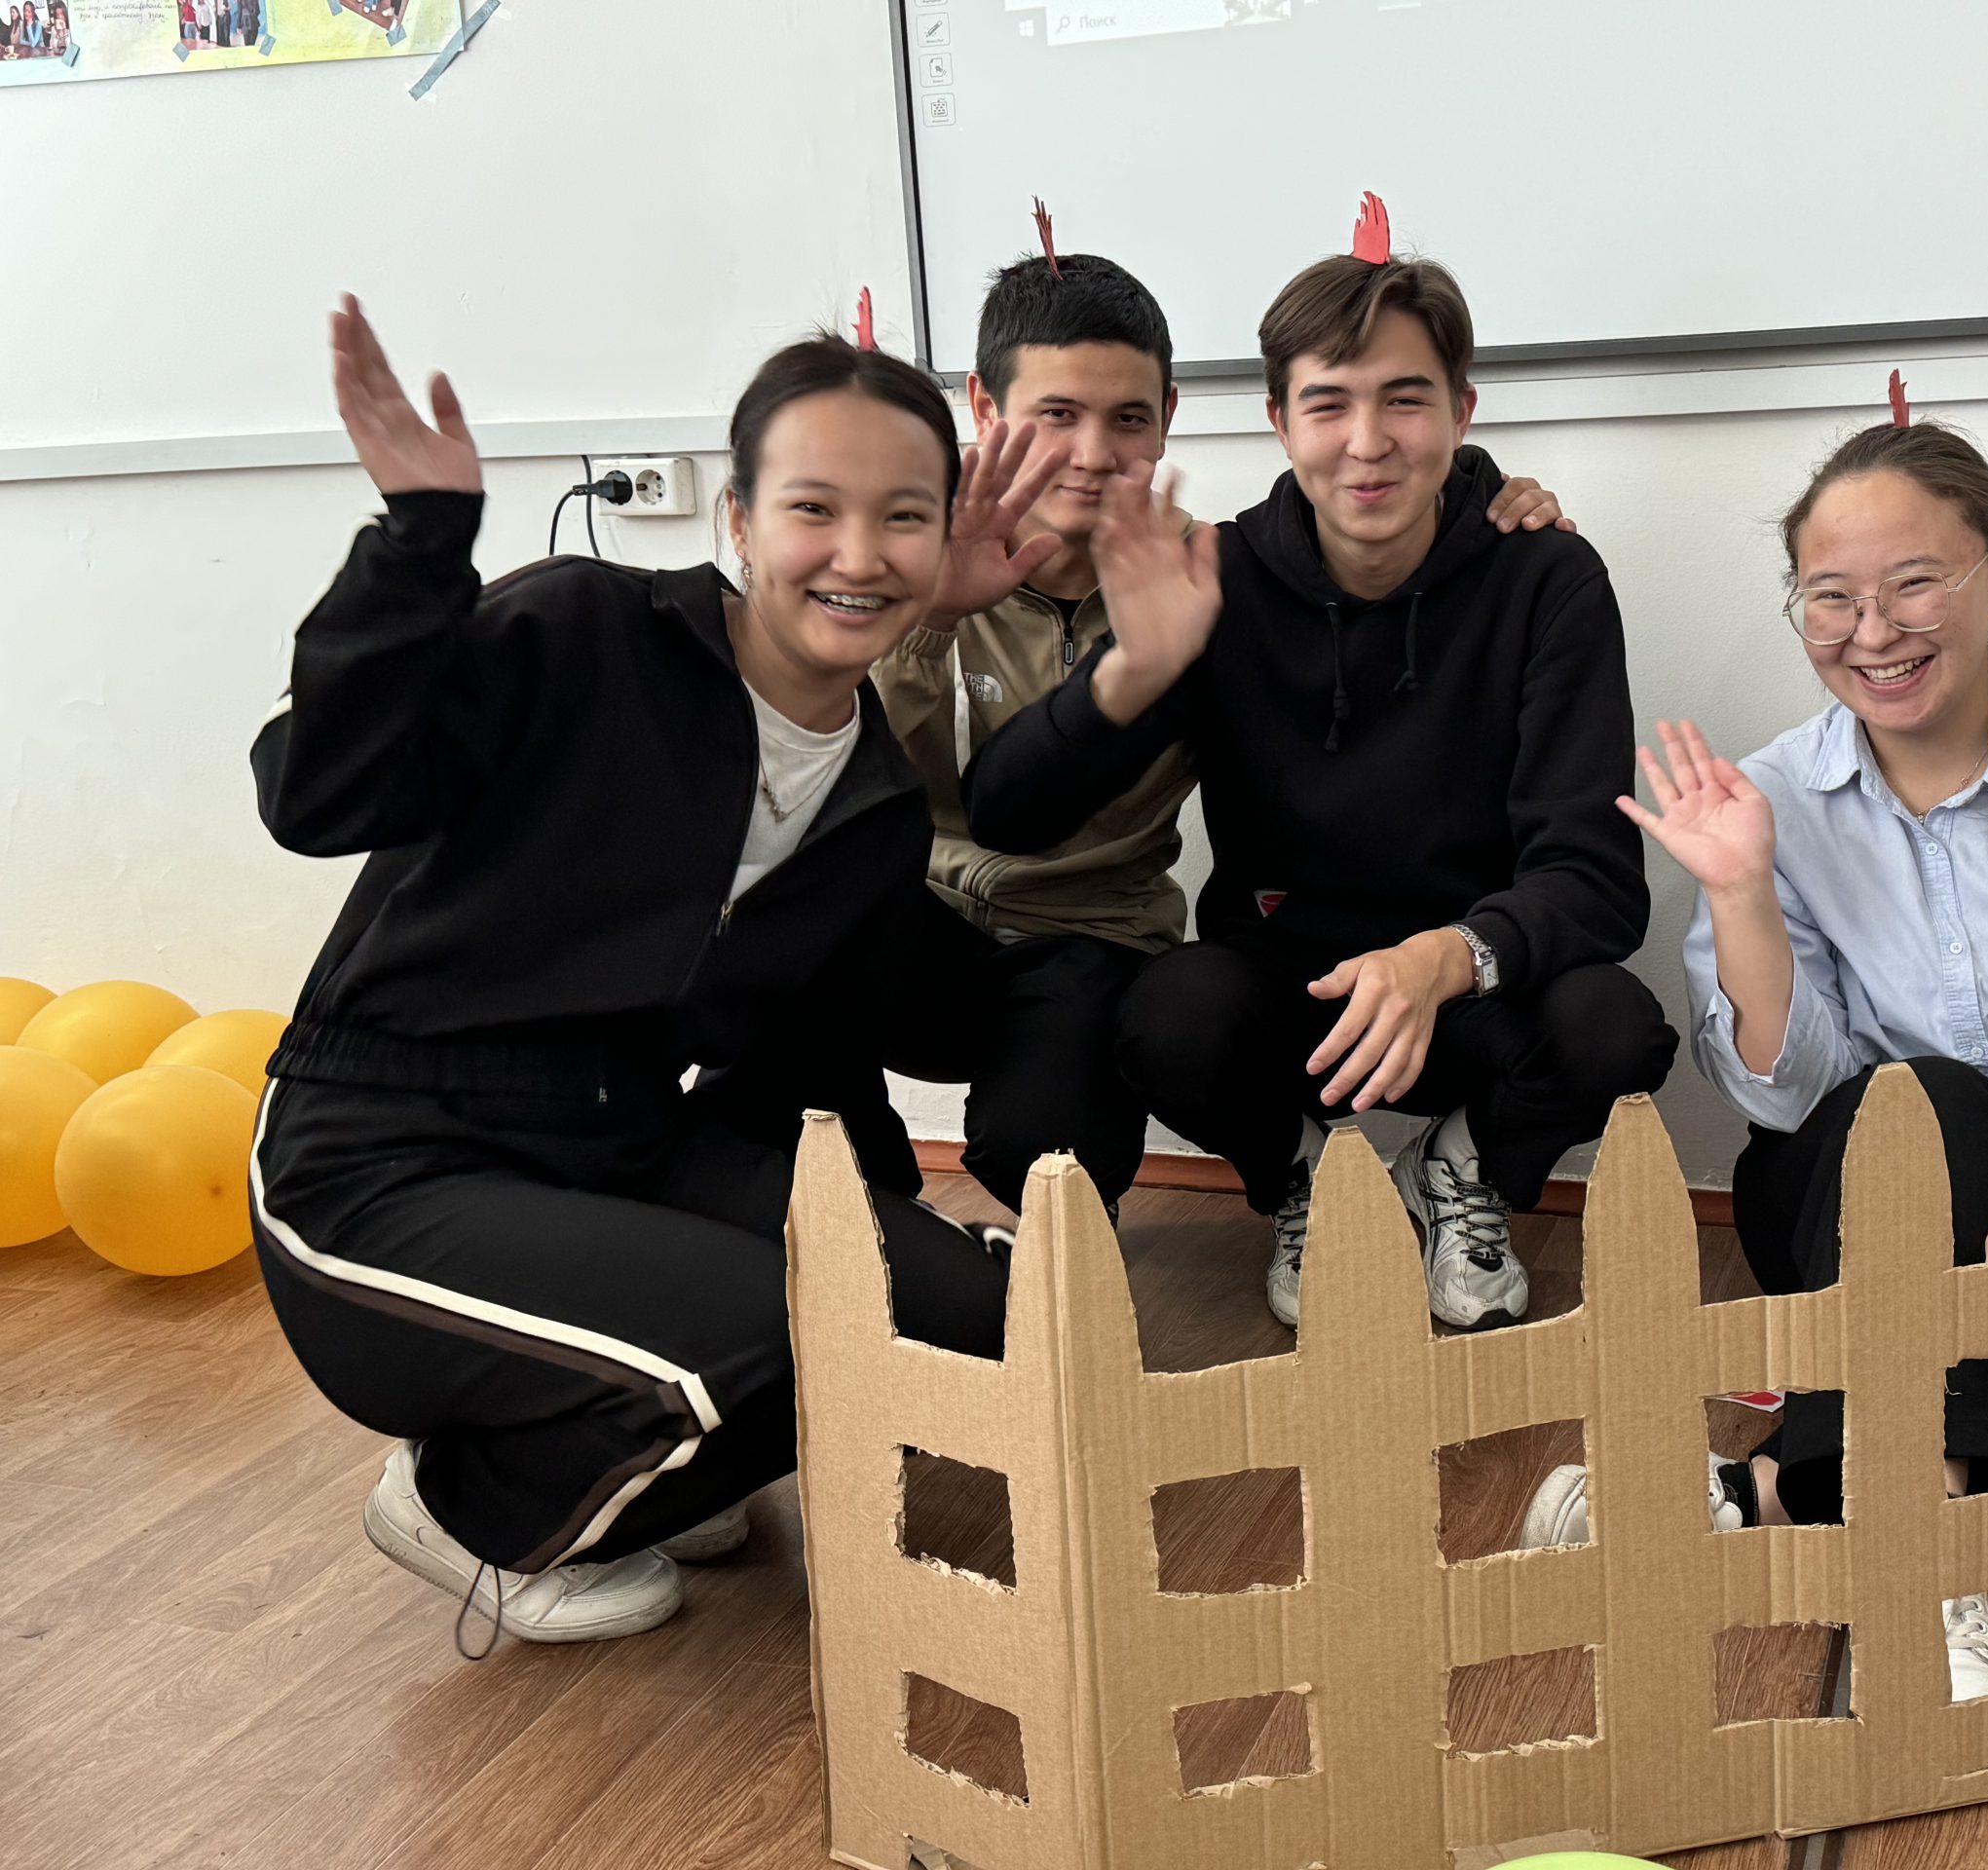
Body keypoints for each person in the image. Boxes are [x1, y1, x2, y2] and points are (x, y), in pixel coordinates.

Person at [247, 295, 1061, 1651]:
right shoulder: (584, 629)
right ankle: (469, 1509)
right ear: (737, 519)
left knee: (953, 1308)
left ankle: (644, 1435)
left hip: (615, 1140)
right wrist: (419, 542)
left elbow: (803, 1057)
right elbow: (315, 793)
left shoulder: (871, 795)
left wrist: (887, 1226)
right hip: (377, 1159)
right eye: (813, 509)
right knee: (771, 1330)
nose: (858, 553)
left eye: (904, 518)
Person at [1521, 417, 1988, 1703]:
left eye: (1916, 583)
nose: (1874, 632)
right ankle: (1924, 1584)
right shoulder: (1774, 795)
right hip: (1855, 1184)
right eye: (1832, 598)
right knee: (1928, 1105)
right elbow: (1788, 1094)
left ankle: (1755, 1493)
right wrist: (1741, 894)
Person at [963, 241, 1674, 1334]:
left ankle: (1459, 1171)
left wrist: (1447, 956)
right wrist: (1134, 668)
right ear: (1279, 421)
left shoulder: (1548, 578)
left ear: (1461, 410)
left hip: (1472, 988)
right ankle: (1302, 1179)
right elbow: (1010, 813)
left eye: (1405, 399)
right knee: (1166, 1016)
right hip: (1291, 1000)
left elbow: (1596, 878)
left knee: (1614, 1029)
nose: (1367, 441)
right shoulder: (1217, 577)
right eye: (1328, 403)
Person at [867, 243, 1569, 1218]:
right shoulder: (898, 542)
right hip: (917, 911)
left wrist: (1472, 498)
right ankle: (836, 1207)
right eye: (1056, 414)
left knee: (1049, 1152)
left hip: (1093, 935)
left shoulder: (1205, 576)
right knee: (790, 945)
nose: (1091, 453)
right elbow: (849, 794)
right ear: (984, 409)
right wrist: (927, 620)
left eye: (1128, 419)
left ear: (1168, 419)